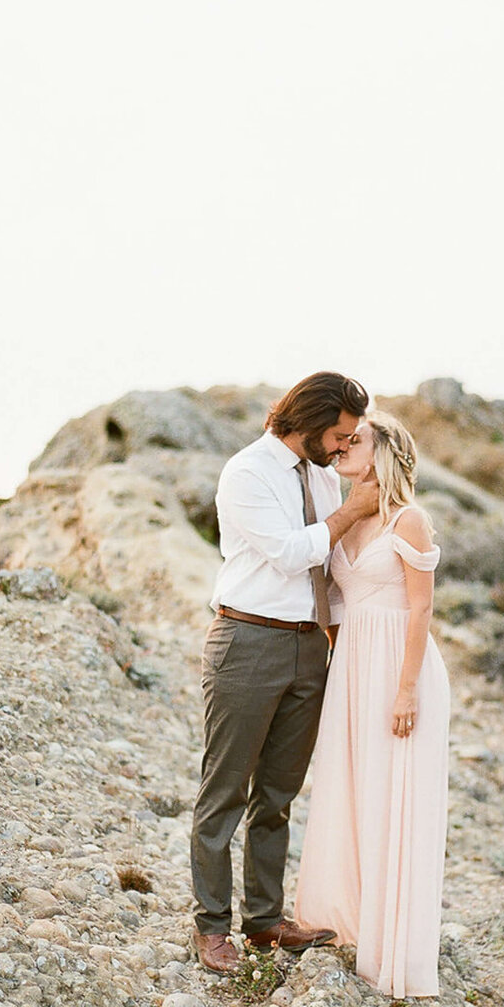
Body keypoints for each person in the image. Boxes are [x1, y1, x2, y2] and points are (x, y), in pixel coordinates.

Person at [190, 371, 379, 975]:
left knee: (278, 795)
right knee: (225, 793)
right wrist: (350, 513)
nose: (345, 447)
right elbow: (292, 552)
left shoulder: (324, 478)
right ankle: (212, 928)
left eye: (352, 438)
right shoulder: (247, 472)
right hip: (247, 642)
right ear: (313, 423)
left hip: (308, 649)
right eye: (341, 435)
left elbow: (332, 570)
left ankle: (265, 921)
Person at [294, 413, 450, 998]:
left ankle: (393, 952)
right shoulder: (346, 515)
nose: (340, 448)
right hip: (352, 668)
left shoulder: (410, 519)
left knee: (394, 797)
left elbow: (421, 609)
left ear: (383, 450)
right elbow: (333, 603)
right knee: (349, 787)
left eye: (353, 441)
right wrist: (341, 661)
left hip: (399, 671)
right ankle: (345, 921)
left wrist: (405, 687)